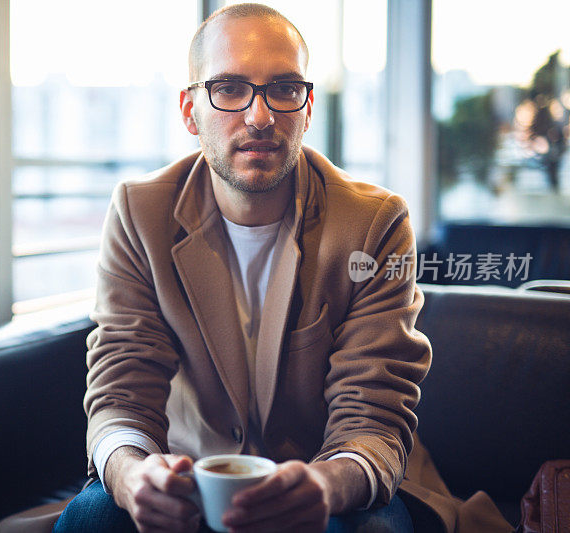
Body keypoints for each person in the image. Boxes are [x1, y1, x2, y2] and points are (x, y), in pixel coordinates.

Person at [53, 3, 511, 532]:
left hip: (328, 474)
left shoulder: (375, 223)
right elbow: (121, 388)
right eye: (229, 88)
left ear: (308, 107)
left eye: (285, 89)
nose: (260, 116)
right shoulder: (140, 213)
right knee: (91, 519)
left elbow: (373, 414)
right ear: (188, 111)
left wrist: (326, 483)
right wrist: (134, 476)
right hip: (190, 474)